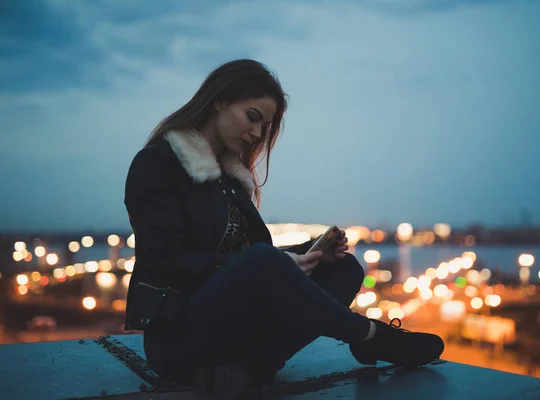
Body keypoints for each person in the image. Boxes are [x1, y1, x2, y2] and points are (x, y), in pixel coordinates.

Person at [124, 59, 444, 398]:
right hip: (179, 336)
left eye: (266, 125)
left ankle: (246, 369)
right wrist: (272, 263)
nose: (258, 133)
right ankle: (373, 338)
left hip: (237, 333)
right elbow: (170, 261)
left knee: (345, 268)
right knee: (265, 259)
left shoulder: (230, 181)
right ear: (219, 100)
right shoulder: (157, 164)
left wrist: (309, 253)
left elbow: (245, 262)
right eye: (253, 117)